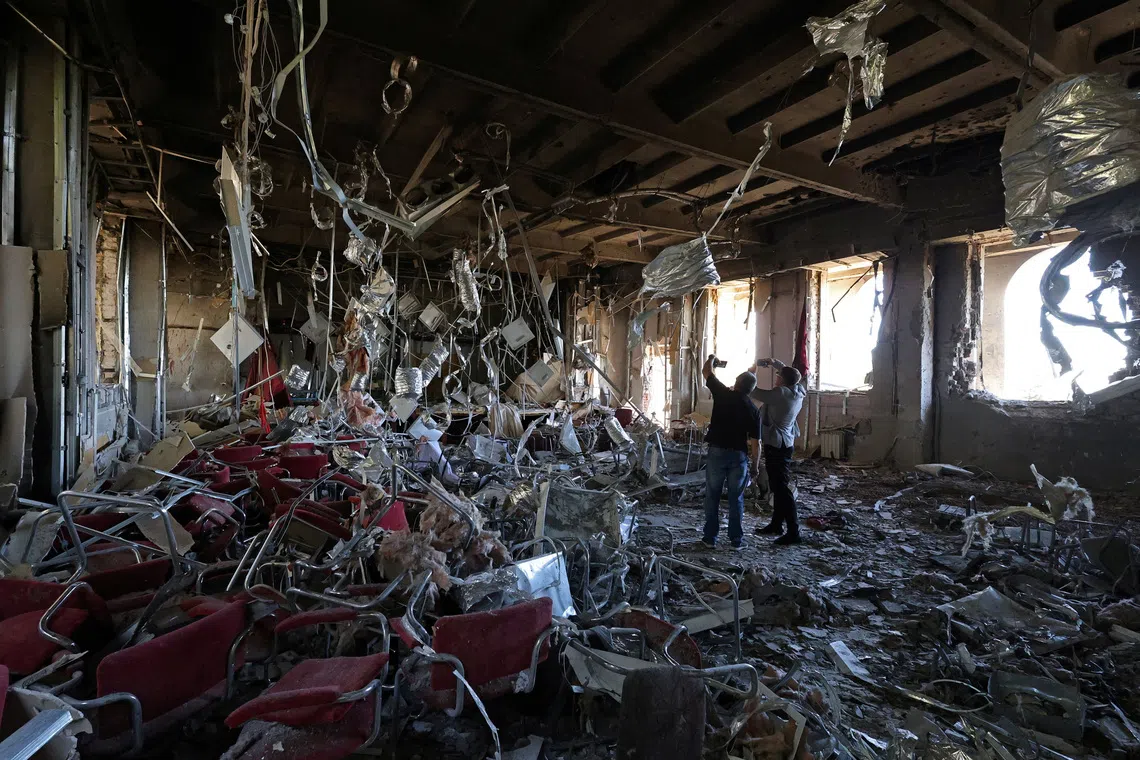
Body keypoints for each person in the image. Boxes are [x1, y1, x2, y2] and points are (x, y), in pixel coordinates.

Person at [700, 354, 761, 550]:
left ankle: (710, 538)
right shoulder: (753, 409)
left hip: (717, 452)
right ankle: (736, 540)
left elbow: (706, 372)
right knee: (736, 499)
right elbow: (756, 442)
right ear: (751, 390)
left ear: (736, 382)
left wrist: (712, 358)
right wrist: (755, 467)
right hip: (738, 456)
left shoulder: (722, 393)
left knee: (713, 496)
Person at [750, 358, 807, 545]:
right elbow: (790, 373)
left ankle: (793, 531)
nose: (776, 378)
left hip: (776, 444)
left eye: (778, 376)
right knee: (777, 486)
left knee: (782, 489)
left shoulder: (780, 393)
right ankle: (776, 524)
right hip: (786, 442)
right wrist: (773, 362)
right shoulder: (798, 390)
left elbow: (754, 390)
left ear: (782, 381)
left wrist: (751, 374)